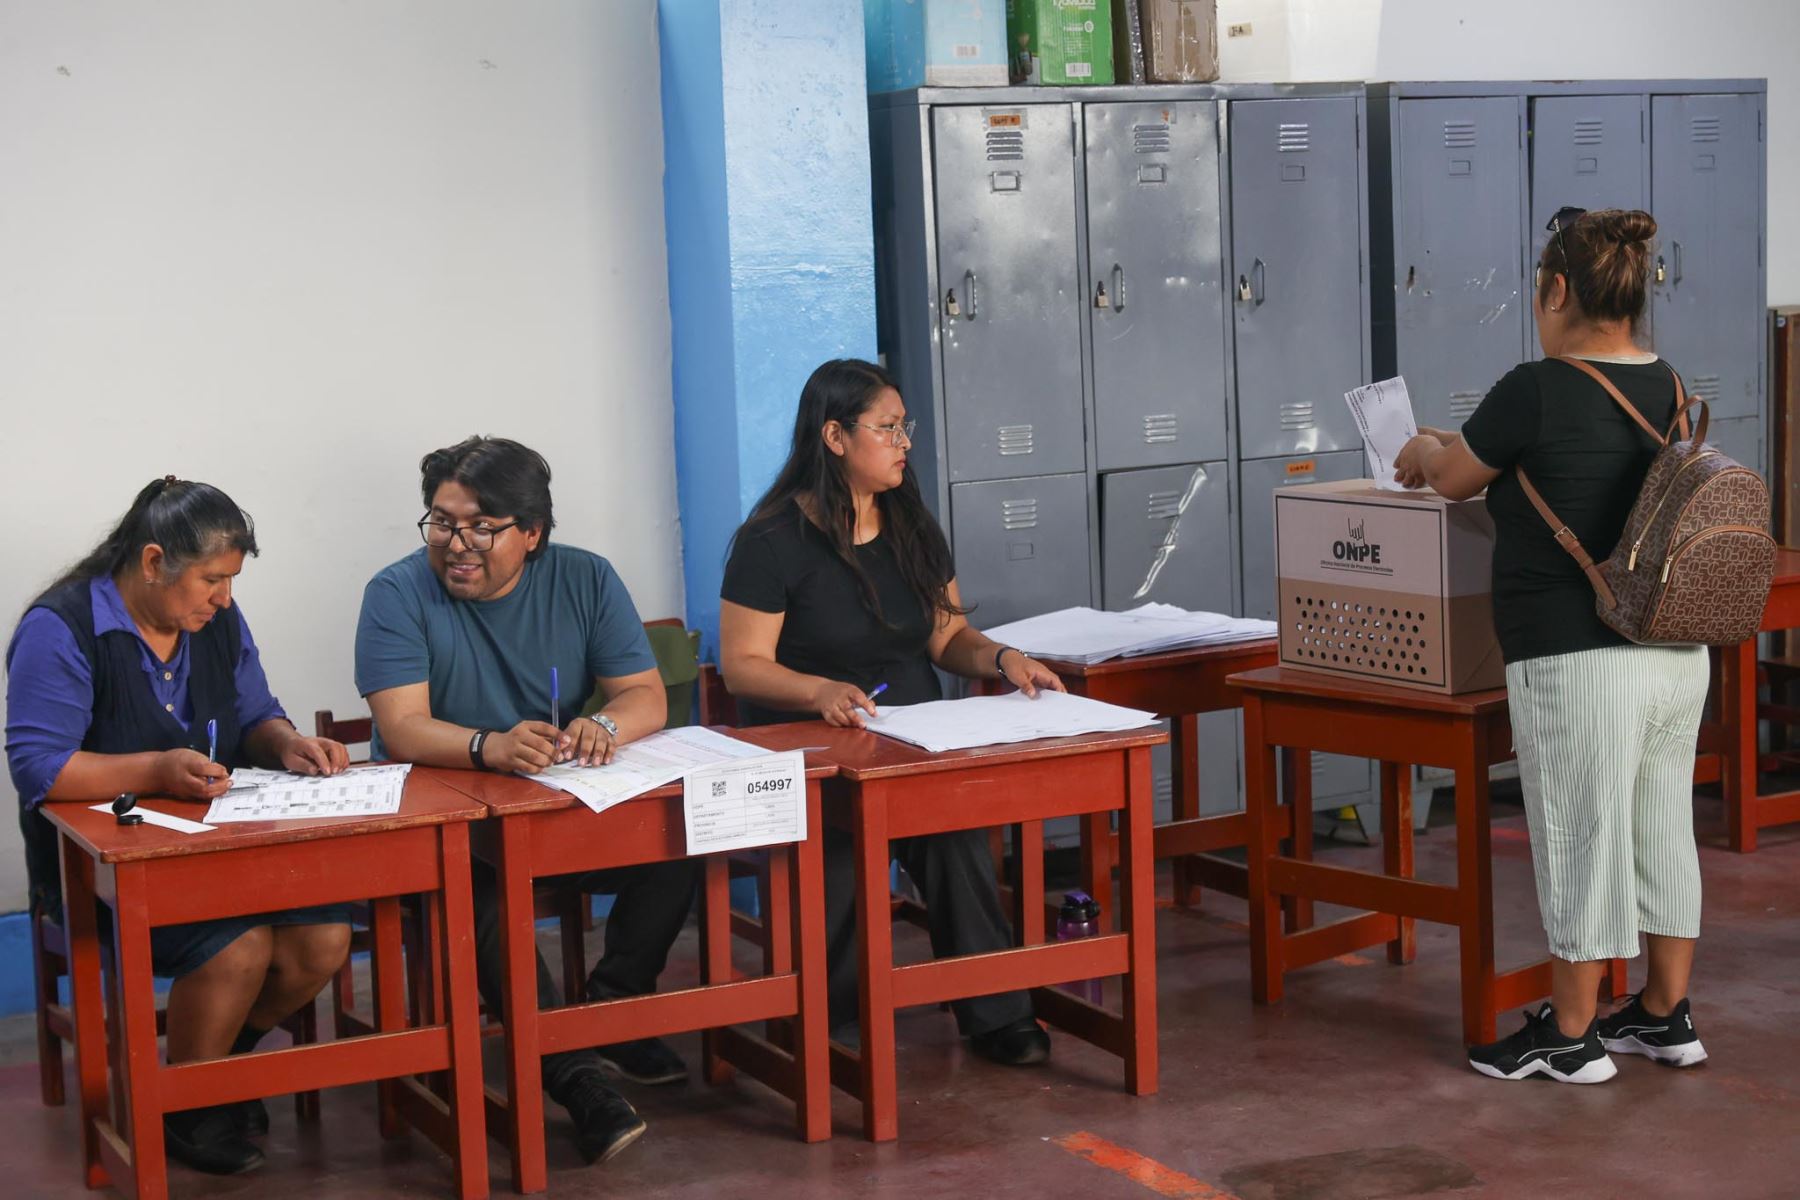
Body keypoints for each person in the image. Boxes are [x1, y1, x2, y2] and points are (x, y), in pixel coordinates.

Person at [1393, 208, 1710, 1084]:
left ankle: (1570, 1035)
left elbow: (1454, 474)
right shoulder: (1669, 382)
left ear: (1558, 289)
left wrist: (1421, 447)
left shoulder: (1535, 385)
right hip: (1675, 650)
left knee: (1580, 831)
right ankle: (1663, 1014)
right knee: (1660, 831)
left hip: (1578, 656)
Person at [354, 436, 692, 1165]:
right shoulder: (396, 592)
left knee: (676, 837)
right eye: (441, 522)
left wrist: (601, 725)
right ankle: (571, 1074)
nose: (456, 544)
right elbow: (400, 725)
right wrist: (489, 746)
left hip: (555, 807)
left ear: (531, 534)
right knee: (478, 893)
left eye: (481, 526)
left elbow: (644, 697)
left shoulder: (585, 578)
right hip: (444, 825)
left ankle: (612, 1008)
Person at [718, 358, 1065, 1067]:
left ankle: (996, 1011)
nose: (904, 442)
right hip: (814, 745)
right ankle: (834, 1028)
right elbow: (744, 664)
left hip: (908, 737)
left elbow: (946, 636)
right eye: (887, 428)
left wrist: (1003, 659)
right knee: (838, 859)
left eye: (904, 427)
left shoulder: (908, 517)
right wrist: (817, 690)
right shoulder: (772, 539)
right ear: (836, 437)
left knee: (956, 839)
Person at [5, 478, 354, 1175]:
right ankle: (185, 1110)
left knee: (325, 938)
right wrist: (157, 769)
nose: (223, 598)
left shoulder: (215, 619)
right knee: (239, 947)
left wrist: (286, 744)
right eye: (212, 580)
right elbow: (40, 768)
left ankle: (213, 1074)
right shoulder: (63, 626)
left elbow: (256, 712)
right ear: (154, 560)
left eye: (230, 581)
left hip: (221, 849)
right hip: (102, 872)